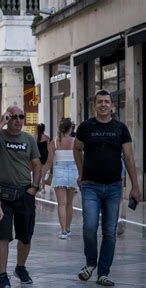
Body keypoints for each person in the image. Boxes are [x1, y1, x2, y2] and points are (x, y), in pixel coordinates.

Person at [74, 89, 141, 286]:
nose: (103, 104)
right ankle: (90, 263)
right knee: (89, 227)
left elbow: (128, 157)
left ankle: (103, 273)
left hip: (113, 187)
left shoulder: (121, 129)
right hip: (90, 187)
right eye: (99, 101)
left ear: (111, 105)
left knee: (110, 232)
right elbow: (76, 148)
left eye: (106, 101)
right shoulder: (86, 127)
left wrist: (135, 187)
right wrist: (81, 172)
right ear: (95, 105)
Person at [0, 106, 42, 288]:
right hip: (3, 195)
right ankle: (3, 275)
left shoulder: (29, 139)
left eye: (21, 117)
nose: (18, 120)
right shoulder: (0, 136)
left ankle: (20, 267)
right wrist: (1, 122)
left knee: (25, 236)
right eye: (13, 117)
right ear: (8, 118)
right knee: (2, 235)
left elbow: (36, 164)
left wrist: (34, 187)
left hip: (25, 193)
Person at [41, 118, 78, 239]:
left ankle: (63, 231)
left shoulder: (55, 142)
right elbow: (80, 159)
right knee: (69, 203)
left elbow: (48, 162)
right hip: (73, 172)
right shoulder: (75, 141)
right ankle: (68, 229)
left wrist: (42, 176)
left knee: (61, 203)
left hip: (59, 172)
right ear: (71, 128)